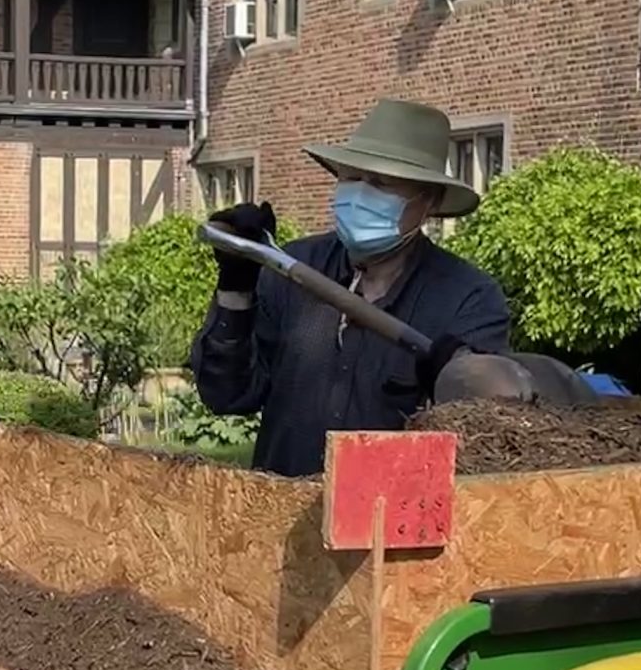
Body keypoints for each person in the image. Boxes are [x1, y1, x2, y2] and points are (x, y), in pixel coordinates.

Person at [191, 98, 511, 477]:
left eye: (380, 184)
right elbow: (228, 395)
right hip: (280, 516)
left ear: (429, 201)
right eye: (350, 178)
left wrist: (451, 391)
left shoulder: (467, 299)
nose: (359, 194)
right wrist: (236, 288)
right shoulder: (292, 270)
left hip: (394, 523)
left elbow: (489, 443)